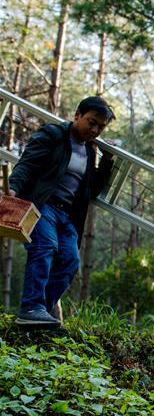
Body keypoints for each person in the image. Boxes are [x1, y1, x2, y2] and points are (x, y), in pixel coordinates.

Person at [7, 96, 116, 328]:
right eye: (92, 122)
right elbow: (27, 163)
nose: (95, 130)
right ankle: (31, 307)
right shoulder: (53, 134)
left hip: (68, 216)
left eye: (100, 127)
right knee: (45, 246)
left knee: (69, 261)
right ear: (77, 115)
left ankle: (39, 315)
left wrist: (107, 162)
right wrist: (13, 187)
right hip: (43, 206)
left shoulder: (90, 151)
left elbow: (91, 190)